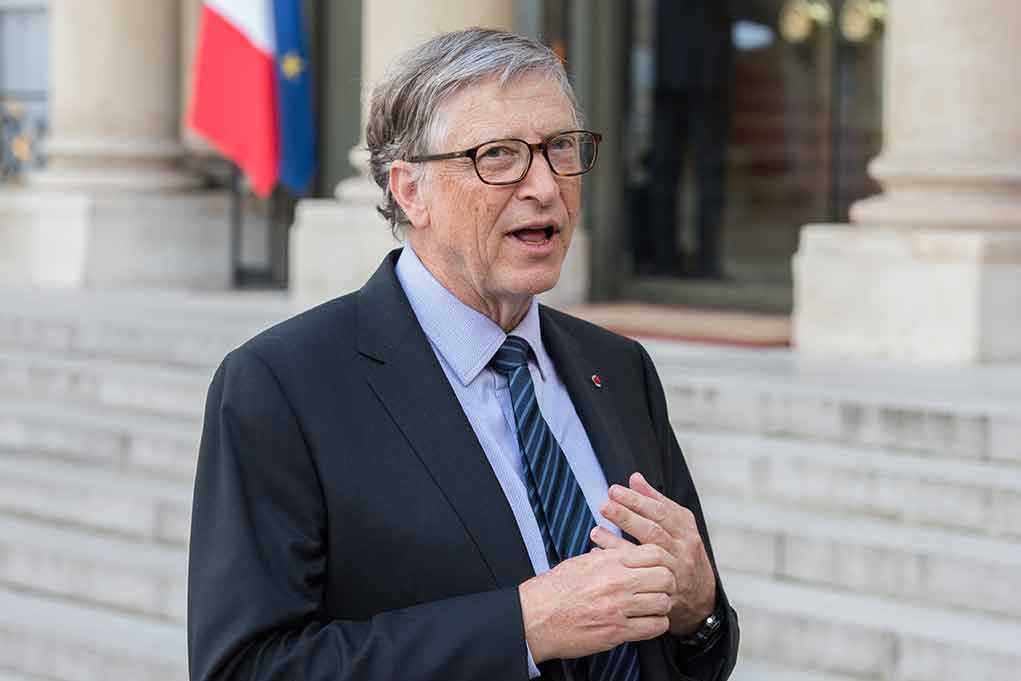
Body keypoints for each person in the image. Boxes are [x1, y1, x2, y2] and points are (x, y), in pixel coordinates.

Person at [188, 28, 738, 681]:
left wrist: (700, 609)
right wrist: (523, 627)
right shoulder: (282, 386)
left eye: (560, 147)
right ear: (409, 189)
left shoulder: (618, 368)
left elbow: (691, 649)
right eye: (498, 155)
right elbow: (247, 667)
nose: (544, 185)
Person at [636, 0, 735, 278]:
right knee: (674, 174)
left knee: (698, 175)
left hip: (693, 77)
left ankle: (698, 260)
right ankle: (676, 259)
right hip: (682, 78)